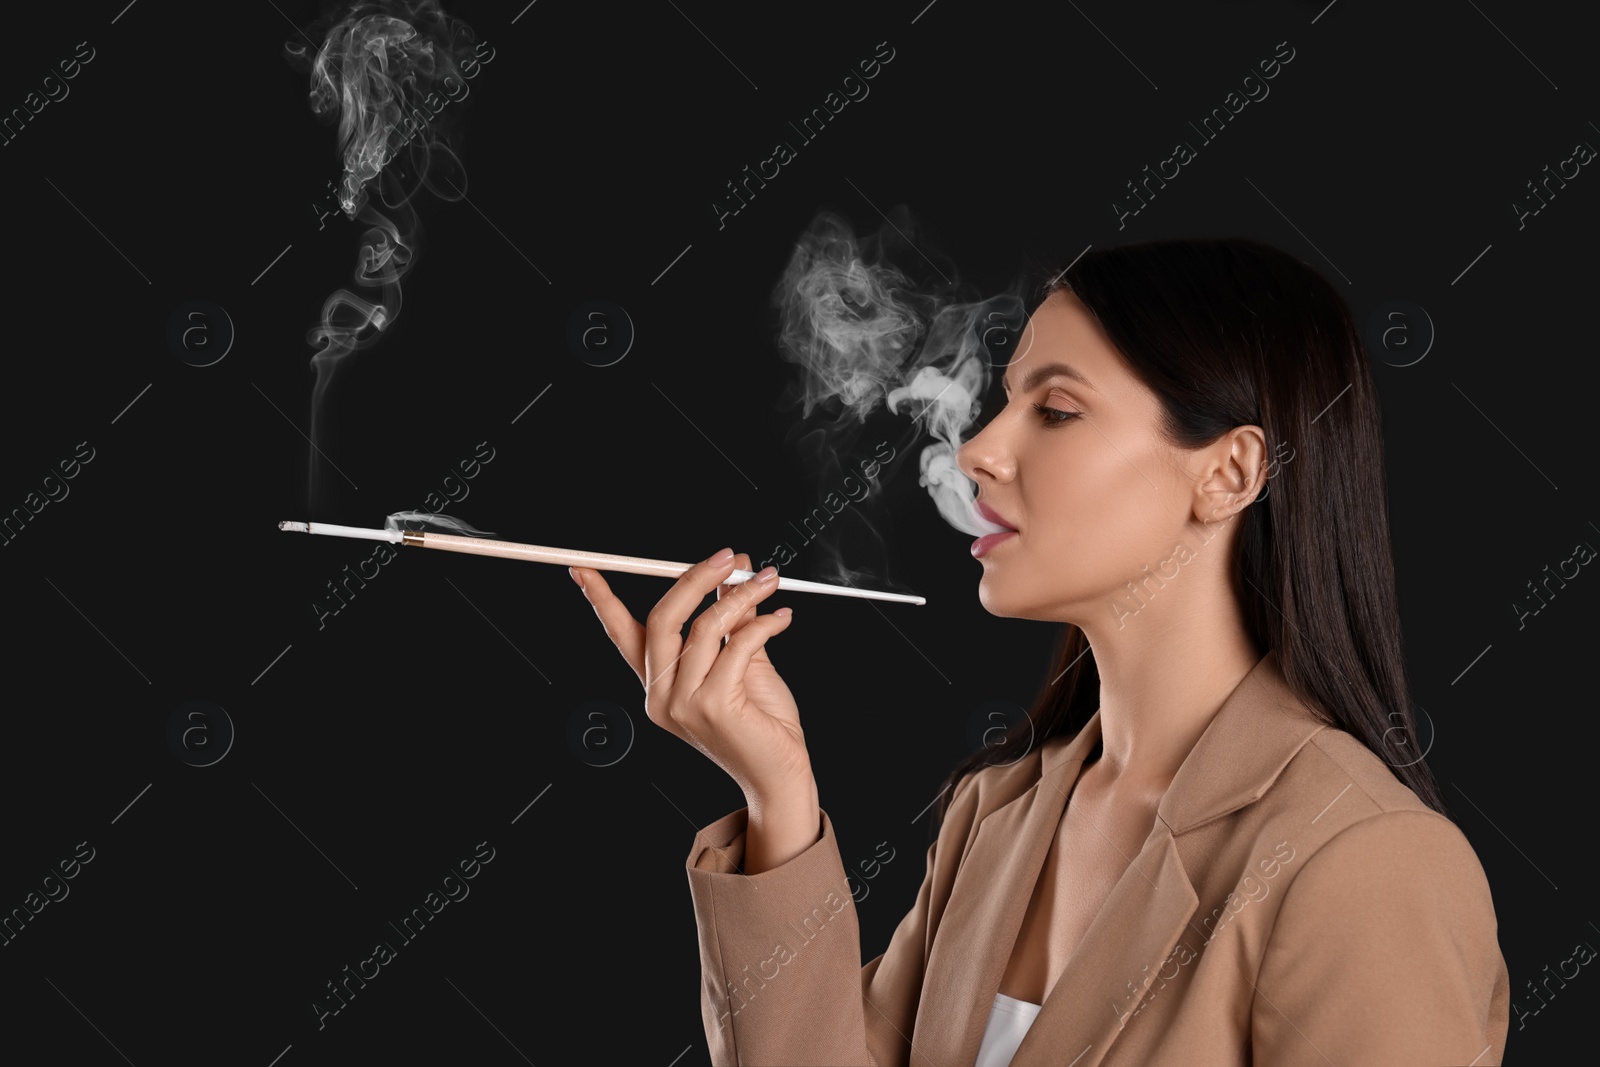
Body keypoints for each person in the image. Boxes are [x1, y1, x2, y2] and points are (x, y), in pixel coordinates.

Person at [572, 237, 1510, 1066]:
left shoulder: (1365, 861)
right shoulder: (996, 815)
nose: (977, 449)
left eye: (1055, 410)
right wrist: (778, 795)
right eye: (1004, 404)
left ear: (1228, 473)